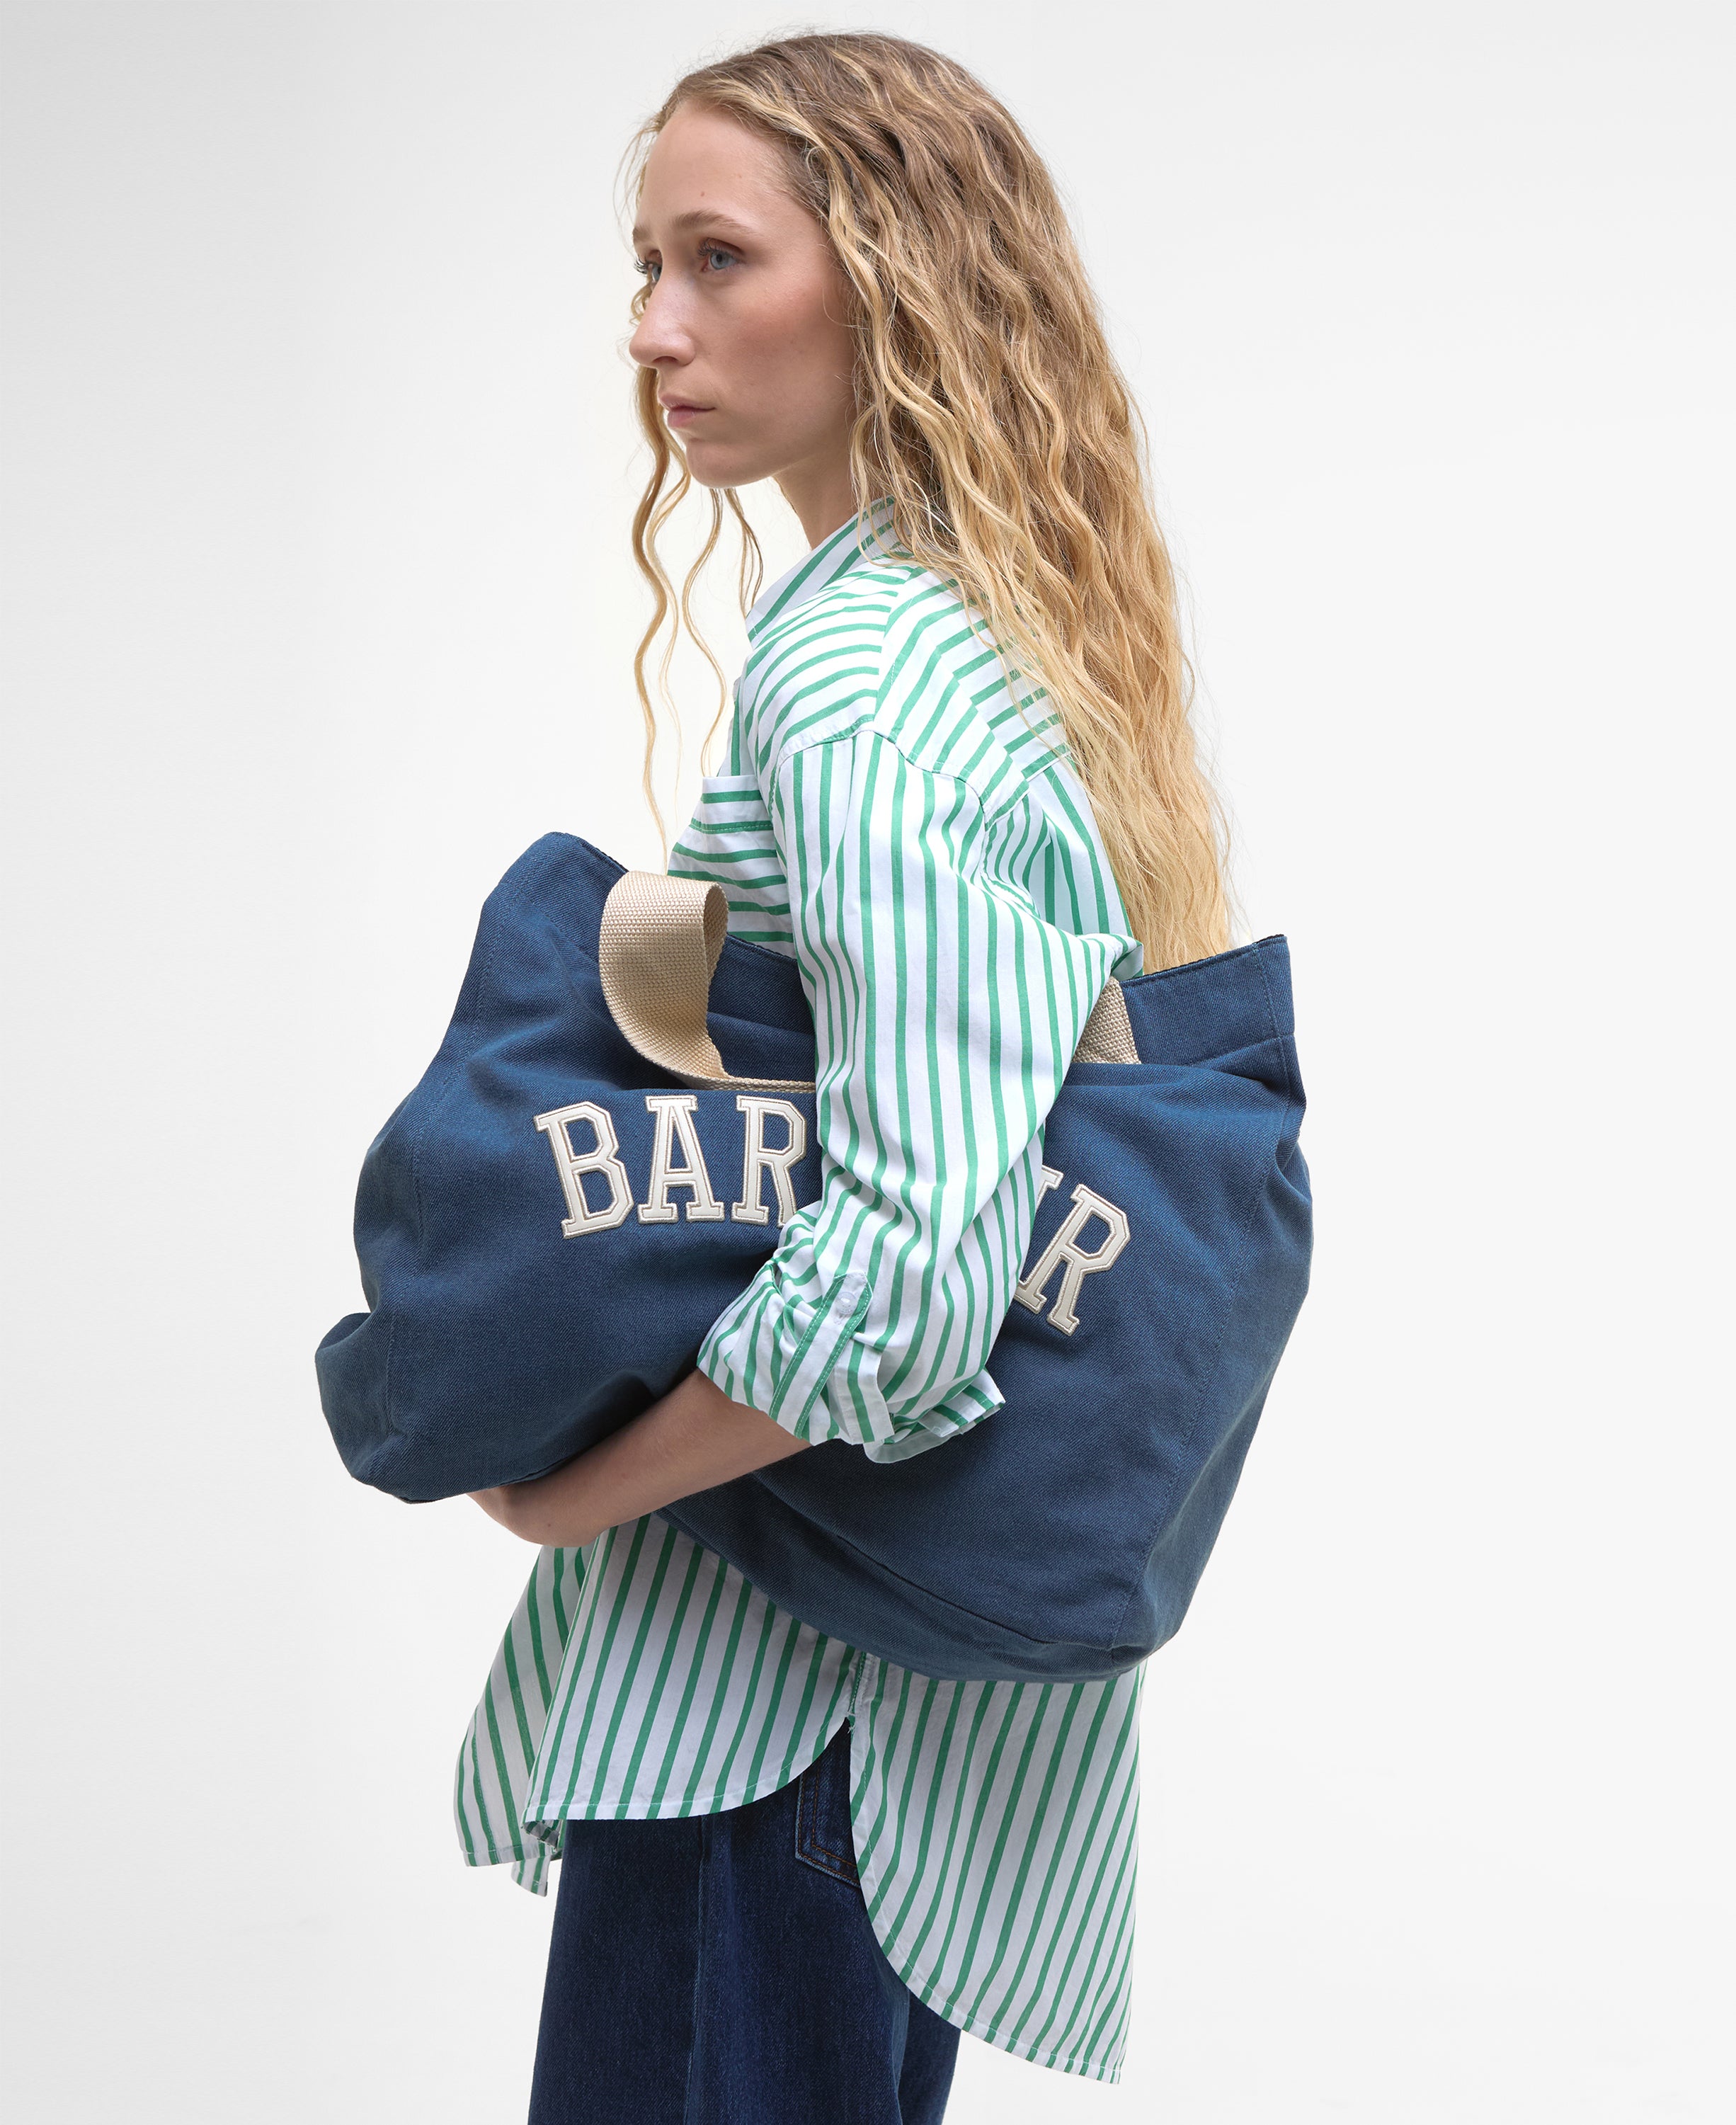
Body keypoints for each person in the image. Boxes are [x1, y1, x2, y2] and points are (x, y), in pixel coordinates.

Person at [458, 32, 1231, 2123]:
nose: (654, 328)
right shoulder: (996, 634)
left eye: (719, 258)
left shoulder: (864, 677)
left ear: (893, 275)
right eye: (648, 264)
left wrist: (558, 1490)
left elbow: (908, 1271)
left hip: (779, 1716)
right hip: (886, 1715)